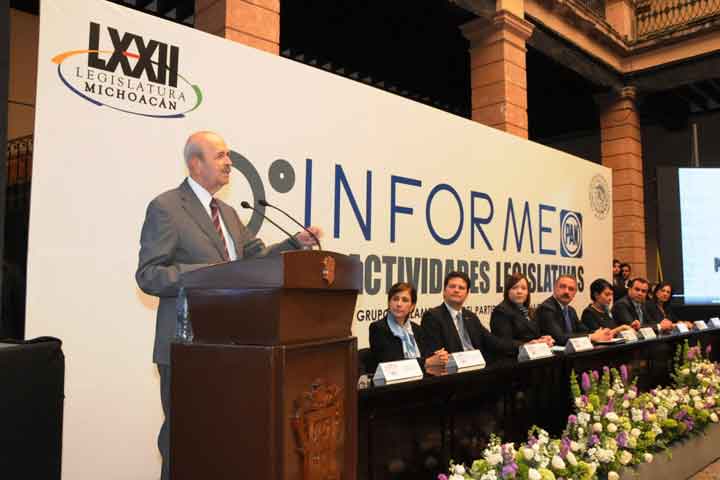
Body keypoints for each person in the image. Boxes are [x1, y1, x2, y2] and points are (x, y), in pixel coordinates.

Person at [135, 131, 321, 480]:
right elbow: (149, 275)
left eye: (228, 155)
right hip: (188, 346)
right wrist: (209, 273)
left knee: (221, 443)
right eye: (220, 155)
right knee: (184, 442)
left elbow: (254, 261)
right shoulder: (167, 207)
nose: (229, 162)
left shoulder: (230, 214)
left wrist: (294, 243)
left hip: (234, 348)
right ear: (195, 163)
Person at [421, 271, 516, 361]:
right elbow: (437, 355)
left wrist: (521, 346)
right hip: (453, 368)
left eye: (461, 288)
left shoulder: (471, 317)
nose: (456, 290)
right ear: (444, 291)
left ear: (466, 294)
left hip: (477, 365)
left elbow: (494, 342)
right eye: (452, 286)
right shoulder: (432, 317)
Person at [369, 282, 449, 370]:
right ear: (389, 303)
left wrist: (438, 356)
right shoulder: (378, 328)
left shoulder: (417, 329)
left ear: (412, 307)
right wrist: (427, 362)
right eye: (395, 299)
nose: (399, 304)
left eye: (405, 300)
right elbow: (392, 363)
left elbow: (426, 354)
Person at [536, 275, 614, 346]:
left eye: (571, 289)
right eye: (562, 287)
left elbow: (583, 330)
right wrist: (591, 336)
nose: (566, 291)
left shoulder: (571, 310)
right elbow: (559, 338)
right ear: (555, 288)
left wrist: (599, 333)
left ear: (575, 293)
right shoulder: (547, 308)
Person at [490, 273, 554, 349]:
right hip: (514, 355)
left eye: (524, 288)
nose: (519, 291)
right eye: (514, 288)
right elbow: (504, 343)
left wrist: (543, 339)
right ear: (507, 291)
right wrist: (528, 345)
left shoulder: (529, 311)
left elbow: (532, 335)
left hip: (533, 353)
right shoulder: (501, 312)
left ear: (527, 292)